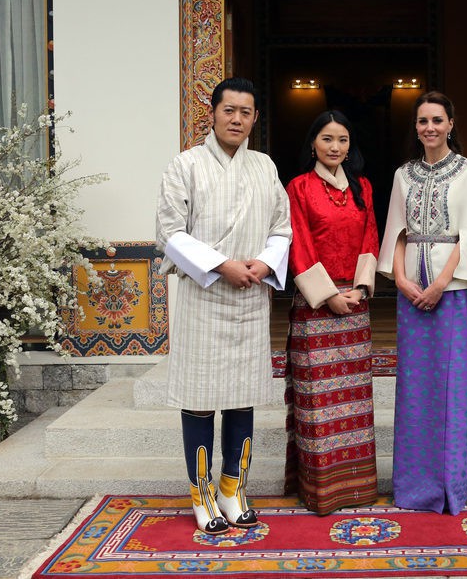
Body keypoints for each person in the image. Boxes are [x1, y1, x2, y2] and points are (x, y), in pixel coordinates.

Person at [155, 77, 292, 534]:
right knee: (199, 398)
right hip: (204, 295)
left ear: (255, 118)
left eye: (246, 112)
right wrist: (222, 266)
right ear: (212, 114)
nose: (237, 119)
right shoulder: (186, 165)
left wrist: (261, 264)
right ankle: (202, 494)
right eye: (229, 110)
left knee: (241, 396)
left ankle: (234, 488)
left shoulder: (265, 166)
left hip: (251, 295)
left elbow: (282, 229)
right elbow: (171, 234)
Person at [378, 91, 467, 515]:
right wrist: (404, 282)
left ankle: (449, 489)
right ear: (417, 127)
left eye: (437, 120)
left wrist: (440, 284)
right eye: (423, 121)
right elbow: (396, 233)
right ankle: (412, 489)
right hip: (411, 296)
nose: (430, 127)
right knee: (413, 390)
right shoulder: (403, 175)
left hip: (451, 294)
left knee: (450, 390)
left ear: (451, 124)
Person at [283, 110, 380, 515]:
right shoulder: (299, 187)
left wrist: (359, 288)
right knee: (318, 402)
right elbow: (297, 242)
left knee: (354, 402)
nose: (335, 147)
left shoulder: (363, 187)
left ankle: (358, 487)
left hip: (355, 305)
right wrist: (327, 296)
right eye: (327, 139)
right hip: (315, 308)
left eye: (342, 139)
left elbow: (370, 234)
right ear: (312, 145)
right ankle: (321, 490)